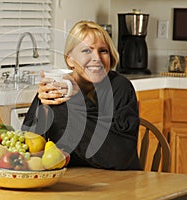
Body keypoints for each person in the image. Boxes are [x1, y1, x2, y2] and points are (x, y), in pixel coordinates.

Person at [21, 20, 141, 170]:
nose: (97, 58)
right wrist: (43, 107)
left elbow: (119, 156)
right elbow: (27, 151)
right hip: (70, 182)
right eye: (86, 51)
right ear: (69, 59)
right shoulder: (58, 88)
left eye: (103, 50)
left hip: (119, 181)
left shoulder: (120, 87)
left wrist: (78, 102)